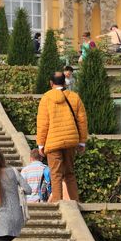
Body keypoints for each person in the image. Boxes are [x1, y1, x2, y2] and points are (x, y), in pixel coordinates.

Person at [35, 73, 88, 202]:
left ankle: (57, 202)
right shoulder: (74, 97)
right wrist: (82, 142)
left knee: (55, 174)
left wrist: (41, 144)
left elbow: (43, 123)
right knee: (69, 173)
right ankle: (74, 200)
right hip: (71, 140)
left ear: (51, 83)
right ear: (65, 83)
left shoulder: (46, 98)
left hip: (53, 142)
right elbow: (82, 121)